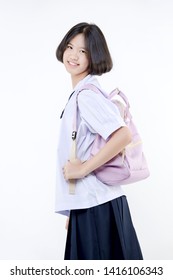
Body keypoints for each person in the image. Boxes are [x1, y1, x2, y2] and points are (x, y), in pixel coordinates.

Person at [55, 22, 143, 260]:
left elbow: (122, 135)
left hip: (96, 206)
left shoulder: (87, 96)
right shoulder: (83, 93)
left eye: (83, 51)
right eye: (70, 46)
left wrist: (82, 169)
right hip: (92, 204)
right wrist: (73, 209)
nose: (73, 55)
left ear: (94, 55)